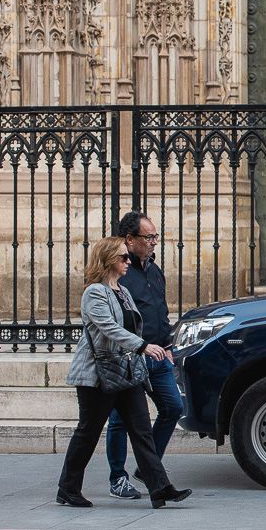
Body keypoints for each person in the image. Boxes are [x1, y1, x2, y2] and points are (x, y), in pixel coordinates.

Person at [57, 236, 192, 509]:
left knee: (141, 430)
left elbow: (133, 327)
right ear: (107, 260)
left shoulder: (122, 291)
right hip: (97, 375)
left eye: (127, 257)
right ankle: (68, 488)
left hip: (125, 371)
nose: (127, 261)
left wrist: (149, 348)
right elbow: (109, 328)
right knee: (88, 431)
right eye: (122, 257)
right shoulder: (94, 293)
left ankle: (160, 489)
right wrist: (143, 347)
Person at [103, 211, 184, 500]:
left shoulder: (154, 270)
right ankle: (117, 478)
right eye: (148, 237)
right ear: (129, 239)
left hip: (158, 354)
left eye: (155, 237)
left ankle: (147, 467)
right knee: (119, 420)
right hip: (131, 356)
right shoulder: (120, 273)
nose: (154, 242)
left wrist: (168, 345)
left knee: (173, 408)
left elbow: (160, 311)